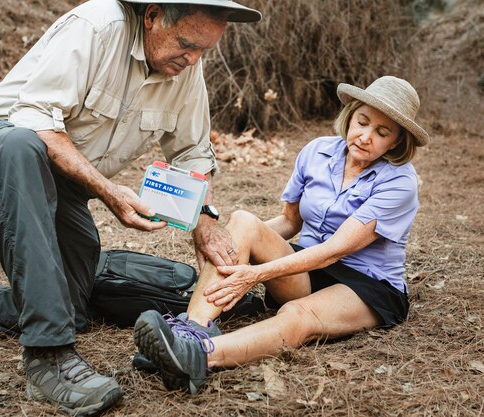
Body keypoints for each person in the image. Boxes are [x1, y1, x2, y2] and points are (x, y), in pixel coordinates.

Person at [0, 0, 261, 415]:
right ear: (153, 15)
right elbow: (33, 121)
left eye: (204, 51)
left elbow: (193, 153)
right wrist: (106, 190)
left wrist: (205, 222)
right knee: (21, 145)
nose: (193, 59)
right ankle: (47, 359)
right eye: (186, 44)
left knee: (66, 307)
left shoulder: (185, 69)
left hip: (63, 178)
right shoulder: (96, 27)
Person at [133, 75, 429, 394]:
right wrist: (236, 241)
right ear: (351, 114)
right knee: (243, 221)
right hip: (308, 267)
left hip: (366, 284)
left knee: (297, 314)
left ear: (396, 142)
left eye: (381, 133)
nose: (365, 136)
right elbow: (290, 222)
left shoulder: (400, 183)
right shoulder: (317, 152)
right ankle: (191, 333)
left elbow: (335, 250)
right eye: (362, 122)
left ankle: (198, 358)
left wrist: (256, 274)